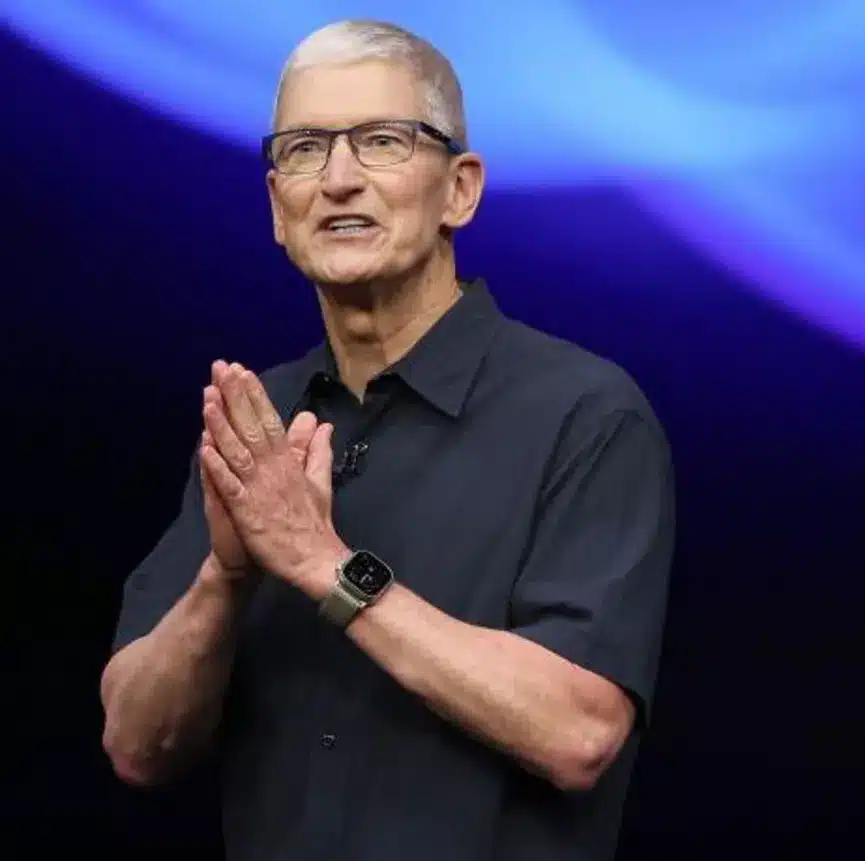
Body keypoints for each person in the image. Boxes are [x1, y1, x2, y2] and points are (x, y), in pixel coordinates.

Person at [99, 18, 675, 861]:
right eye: (304, 149)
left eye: (381, 141)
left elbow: (578, 730)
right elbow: (134, 745)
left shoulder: (585, 414)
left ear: (460, 190)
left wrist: (324, 567)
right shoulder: (255, 426)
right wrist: (224, 578)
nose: (338, 179)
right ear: (276, 207)